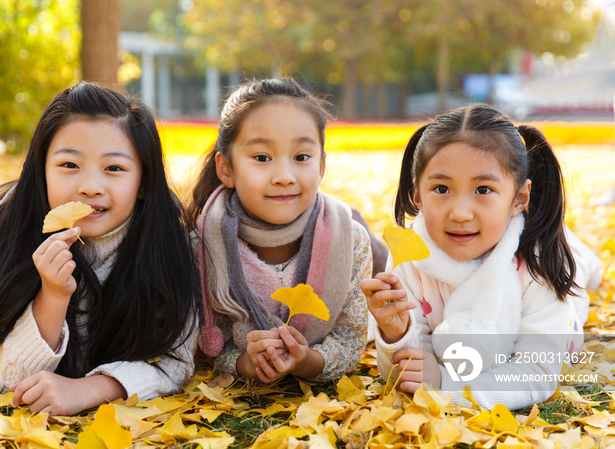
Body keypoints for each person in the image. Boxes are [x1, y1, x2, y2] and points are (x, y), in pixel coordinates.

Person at [0, 82, 198, 415]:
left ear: (144, 182)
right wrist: (53, 295)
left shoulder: (166, 241)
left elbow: (176, 361)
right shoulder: (2, 237)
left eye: (114, 168)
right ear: (40, 170)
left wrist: (89, 389)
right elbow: (0, 378)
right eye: (69, 165)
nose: (90, 187)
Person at [363, 104, 597, 410]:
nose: (460, 213)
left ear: (519, 198)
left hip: (551, 272)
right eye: (442, 188)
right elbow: (409, 371)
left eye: (483, 189)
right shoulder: (410, 257)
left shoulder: (543, 265)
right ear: (417, 194)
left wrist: (449, 386)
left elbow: (537, 373)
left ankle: (586, 260)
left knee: (580, 273)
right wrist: (397, 332)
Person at [186, 78, 372, 383]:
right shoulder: (202, 245)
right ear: (226, 169)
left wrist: (307, 361)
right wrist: (246, 363)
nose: (284, 177)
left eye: (301, 157)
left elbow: (350, 343)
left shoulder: (351, 243)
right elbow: (209, 345)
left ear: (322, 166)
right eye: (262, 158)